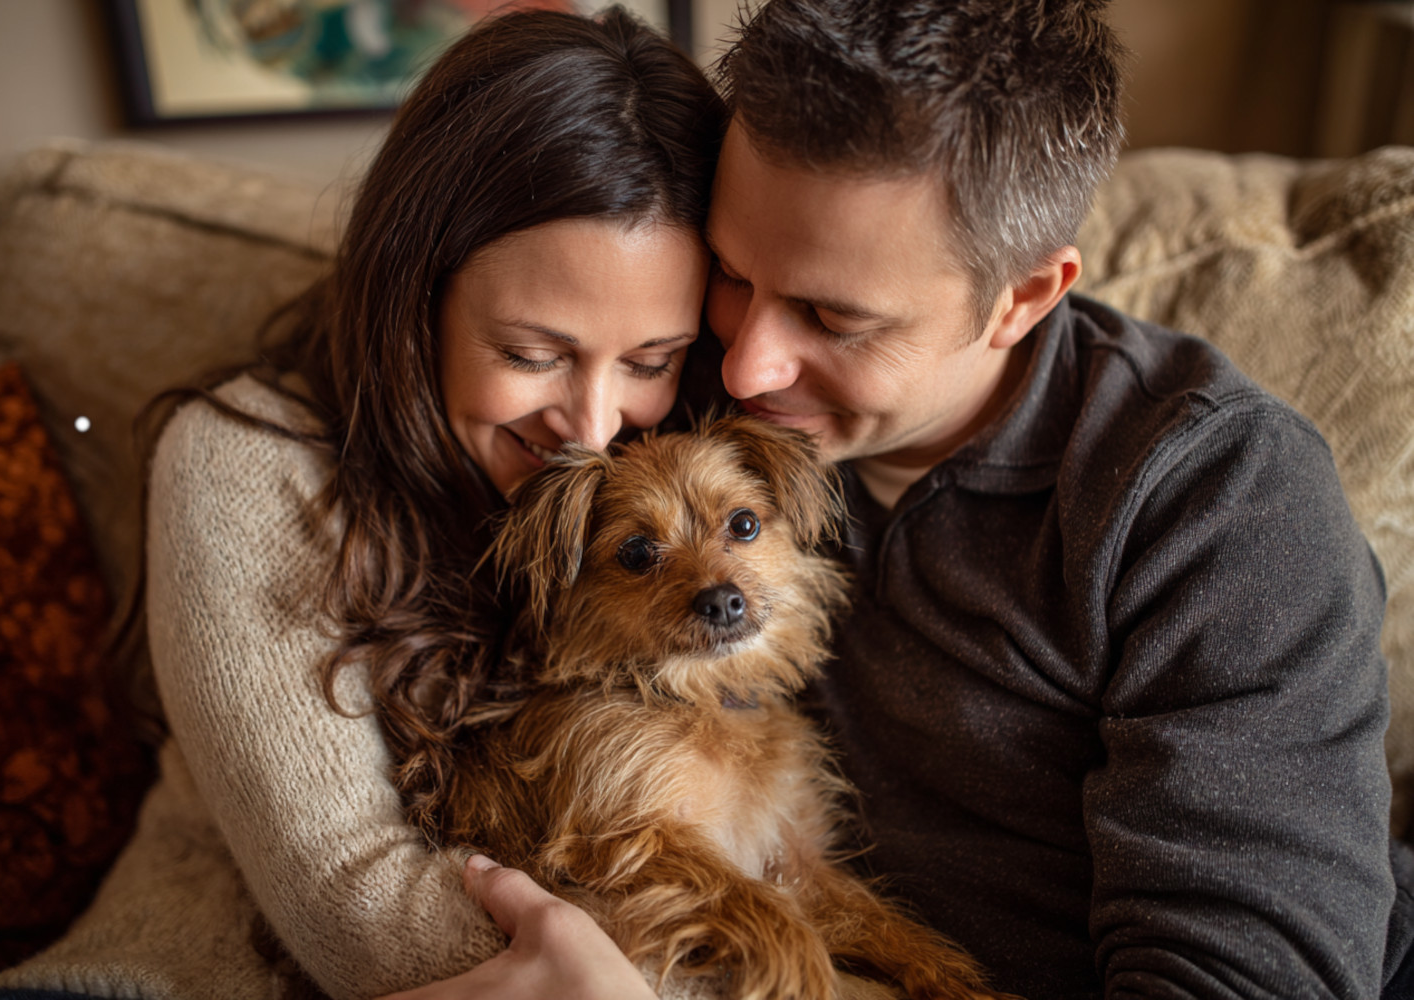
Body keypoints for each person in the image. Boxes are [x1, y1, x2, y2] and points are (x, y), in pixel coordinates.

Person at [394, 0, 1414, 998]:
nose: (747, 365)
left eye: (832, 317)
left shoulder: (1219, 501)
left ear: (1020, 299)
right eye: (735, 275)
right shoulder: (669, 389)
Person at [0, 8, 722, 1000]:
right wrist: (699, 943)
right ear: (417, 297)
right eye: (530, 354)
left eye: (649, 361)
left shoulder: (686, 479)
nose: (592, 423)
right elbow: (355, 910)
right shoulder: (245, 461)